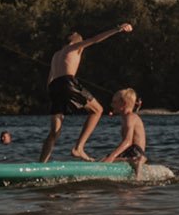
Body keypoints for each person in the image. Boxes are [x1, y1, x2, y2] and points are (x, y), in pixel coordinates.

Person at [41, 21, 133, 161]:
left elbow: (49, 79)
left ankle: (42, 163)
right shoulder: (74, 47)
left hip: (54, 87)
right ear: (78, 42)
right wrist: (118, 29)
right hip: (67, 82)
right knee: (97, 110)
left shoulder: (56, 55)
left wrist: (54, 95)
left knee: (54, 131)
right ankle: (78, 148)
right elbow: (95, 39)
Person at [101, 88, 148, 177]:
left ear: (123, 104)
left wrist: (112, 156)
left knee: (105, 159)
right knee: (105, 158)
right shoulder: (130, 117)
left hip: (134, 151)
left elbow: (128, 141)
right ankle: (134, 160)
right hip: (135, 151)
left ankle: (134, 160)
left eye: (114, 102)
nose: (111, 105)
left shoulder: (129, 117)